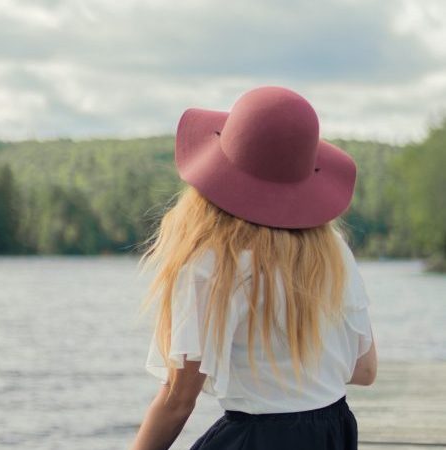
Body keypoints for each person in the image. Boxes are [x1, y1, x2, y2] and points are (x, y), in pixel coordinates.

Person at [129, 86, 377, 450]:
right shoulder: (334, 252)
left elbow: (178, 402)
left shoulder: (211, 264)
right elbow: (364, 371)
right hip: (334, 434)